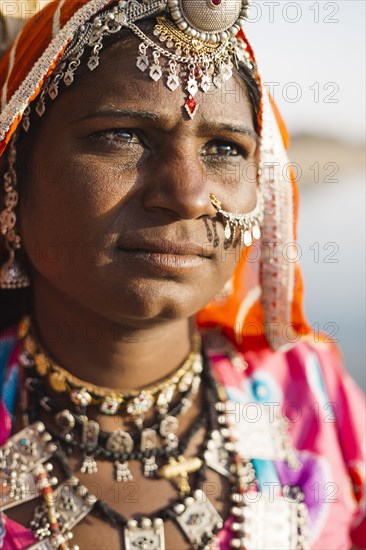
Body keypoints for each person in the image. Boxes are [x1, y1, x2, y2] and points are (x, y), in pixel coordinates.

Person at [0, 1, 365, 548]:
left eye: (224, 148)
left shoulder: (308, 390)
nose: (190, 196)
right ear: (13, 178)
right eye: (122, 135)